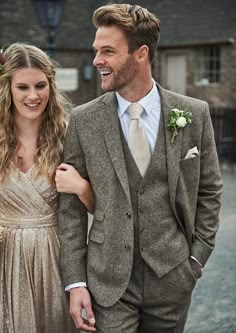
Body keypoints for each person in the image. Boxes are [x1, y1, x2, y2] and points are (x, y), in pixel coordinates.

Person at [58, 4, 223, 333]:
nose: (96, 61)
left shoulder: (194, 113)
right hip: (108, 283)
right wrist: (75, 282)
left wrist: (195, 260)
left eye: (107, 51)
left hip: (172, 280)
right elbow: (69, 211)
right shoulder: (83, 120)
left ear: (141, 53)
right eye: (96, 51)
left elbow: (210, 189)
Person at [0, 42, 95, 333]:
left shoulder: (70, 136)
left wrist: (81, 186)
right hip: (5, 260)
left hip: (55, 259)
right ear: (7, 89)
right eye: (23, 87)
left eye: (40, 85)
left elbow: (102, 208)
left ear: (51, 87)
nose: (33, 95)